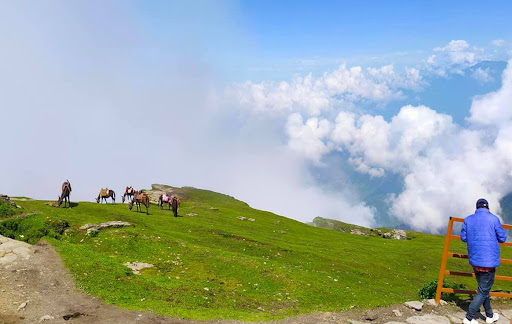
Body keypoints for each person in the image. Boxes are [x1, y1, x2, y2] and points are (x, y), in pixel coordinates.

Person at [460, 198, 507, 324]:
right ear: (488, 208)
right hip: (489, 262)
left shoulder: (468, 219)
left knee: (483, 289)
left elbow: (463, 237)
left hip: (475, 260)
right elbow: (503, 238)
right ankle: (469, 318)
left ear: (476, 208)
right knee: (483, 291)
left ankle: (490, 316)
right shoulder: (494, 219)